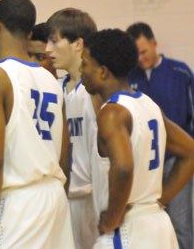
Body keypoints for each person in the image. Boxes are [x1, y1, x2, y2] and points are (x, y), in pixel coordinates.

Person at [0, 0, 73, 249]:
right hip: (55, 197)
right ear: (30, 33)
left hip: (19, 202)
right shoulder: (51, 79)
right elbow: (65, 154)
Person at [81, 28, 194, 249]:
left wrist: (113, 217)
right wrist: (159, 200)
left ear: (103, 72)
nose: (80, 69)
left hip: (127, 230)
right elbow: (190, 151)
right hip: (158, 225)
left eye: (85, 63)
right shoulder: (149, 105)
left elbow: (123, 167)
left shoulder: (112, 113)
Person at [126, 22, 194, 249]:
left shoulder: (180, 72)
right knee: (146, 221)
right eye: (136, 54)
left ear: (154, 44)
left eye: (144, 52)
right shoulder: (128, 78)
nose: (141, 58)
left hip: (177, 160)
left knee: (180, 222)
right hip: (144, 164)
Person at [46, 7, 100, 249]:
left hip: (92, 200)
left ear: (78, 44)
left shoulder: (98, 93)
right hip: (61, 199)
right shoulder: (52, 88)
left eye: (55, 41)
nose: (48, 49)